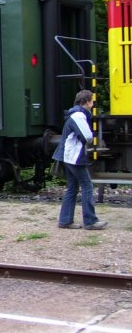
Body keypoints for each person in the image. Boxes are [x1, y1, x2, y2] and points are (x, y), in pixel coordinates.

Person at [53, 90, 107, 230]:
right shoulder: (78, 115)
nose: (93, 104)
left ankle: (65, 221)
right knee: (87, 186)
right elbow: (87, 136)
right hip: (74, 157)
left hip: (69, 156)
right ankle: (90, 221)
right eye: (92, 101)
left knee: (72, 187)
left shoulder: (75, 114)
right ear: (86, 102)